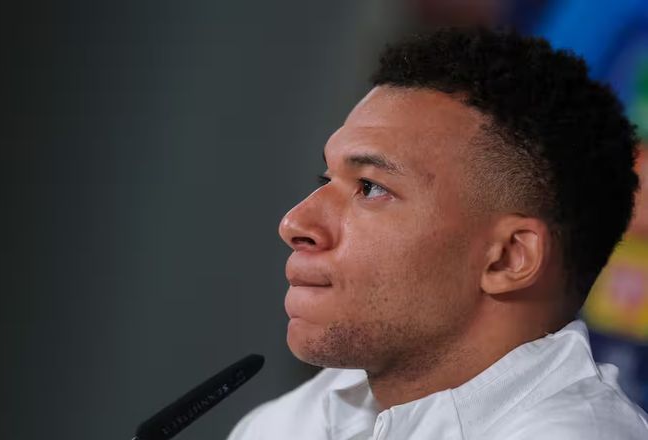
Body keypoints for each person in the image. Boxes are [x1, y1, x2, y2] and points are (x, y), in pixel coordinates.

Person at [228, 28, 648, 439]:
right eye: (326, 179)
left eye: (370, 188)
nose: (294, 224)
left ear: (507, 257)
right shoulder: (288, 422)